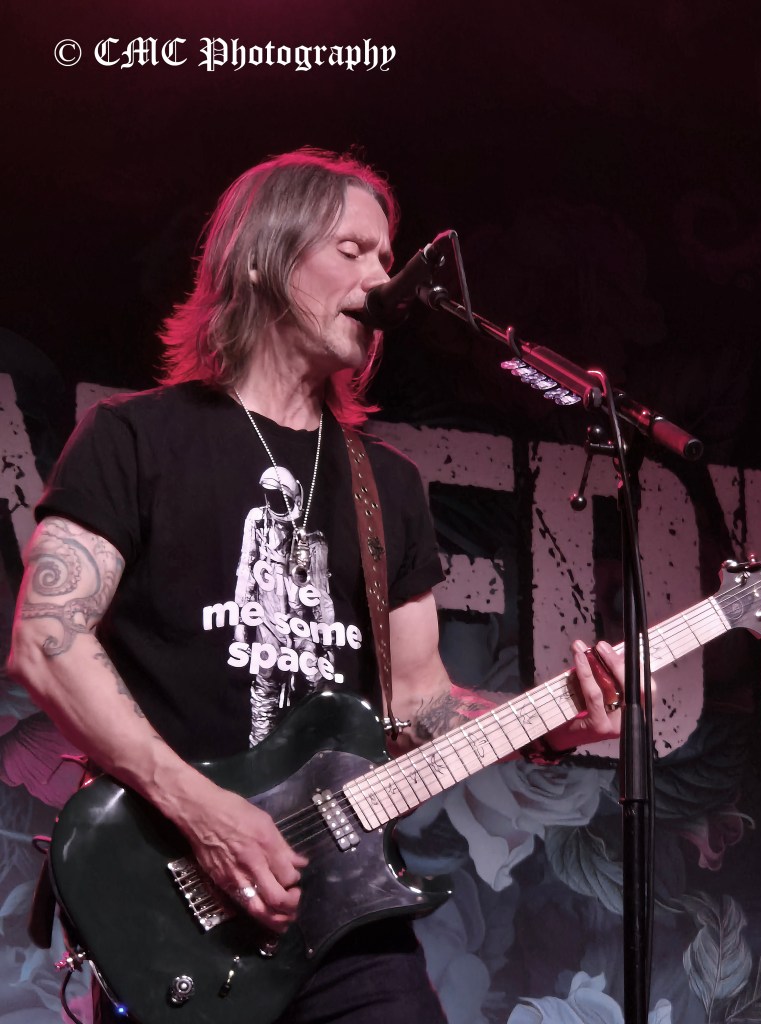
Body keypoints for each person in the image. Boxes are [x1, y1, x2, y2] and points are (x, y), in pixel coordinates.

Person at [7, 149, 625, 1024]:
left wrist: (549, 727)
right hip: (177, 894)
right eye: (353, 250)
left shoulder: (387, 486)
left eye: (388, 257)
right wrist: (206, 812)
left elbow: (418, 712)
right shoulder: (134, 440)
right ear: (264, 258)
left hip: (346, 916)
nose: (381, 279)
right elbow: (48, 641)